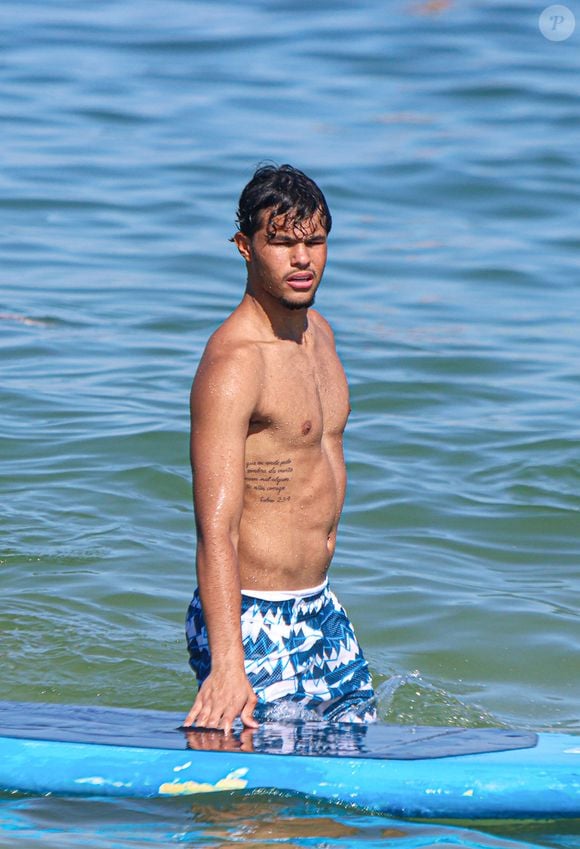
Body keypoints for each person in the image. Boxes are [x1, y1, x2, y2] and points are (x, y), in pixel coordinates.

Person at [184, 164, 375, 733]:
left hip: (320, 608)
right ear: (245, 247)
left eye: (314, 241)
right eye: (283, 243)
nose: (302, 259)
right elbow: (215, 530)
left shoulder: (322, 336)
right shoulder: (235, 362)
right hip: (251, 617)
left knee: (351, 772)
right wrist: (227, 665)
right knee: (260, 808)